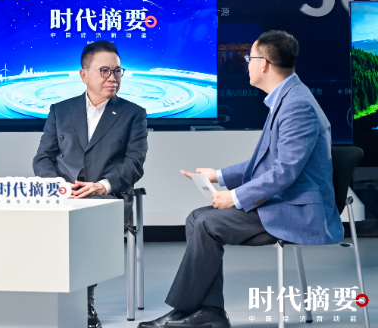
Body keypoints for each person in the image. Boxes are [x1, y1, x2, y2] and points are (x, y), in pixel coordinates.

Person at [139, 31, 344, 328]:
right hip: (286, 200)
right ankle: (207, 311)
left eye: (249, 57)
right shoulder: (287, 98)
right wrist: (219, 175)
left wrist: (235, 197)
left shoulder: (296, 105)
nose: (246, 63)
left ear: (264, 64)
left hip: (298, 210)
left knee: (206, 222)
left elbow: (285, 171)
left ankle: (189, 311)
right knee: (197, 218)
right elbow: (267, 163)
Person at [33, 40, 148, 328]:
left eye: (117, 71)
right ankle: (44, 296)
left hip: (105, 197)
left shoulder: (133, 114)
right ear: (84, 74)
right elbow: (43, 158)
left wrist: (101, 186)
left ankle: (84, 303)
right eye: (104, 71)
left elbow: (134, 163)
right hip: (62, 196)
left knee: (85, 232)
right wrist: (58, 186)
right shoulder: (60, 110)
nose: (113, 77)